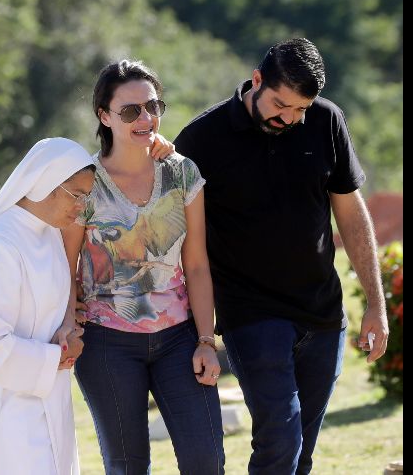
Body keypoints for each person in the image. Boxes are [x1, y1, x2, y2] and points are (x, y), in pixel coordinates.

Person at [173, 37, 389, 475]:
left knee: (300, 452)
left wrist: (375, 303)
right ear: (257, 80)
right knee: (281, 436)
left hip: (323, 314)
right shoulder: (201, 139)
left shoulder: (326, 121)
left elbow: (350, 213)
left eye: (300, 110)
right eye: (280, 104)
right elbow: (176, 236)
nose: (289, 118)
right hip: (250, 315)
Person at [61, 59, 225, 474]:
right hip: (106, 344)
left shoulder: (182, 173)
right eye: (130, 110)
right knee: (127, 467)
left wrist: (207, 340)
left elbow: (198, 264)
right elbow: (66, 264)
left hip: (178, 339)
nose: (145, 118)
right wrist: (67, 324)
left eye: (152, 106)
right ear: (104, 115)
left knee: (206, 460)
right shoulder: (84, 182)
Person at [0, 137, 95, 475]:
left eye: (87, 197)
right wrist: (57, 357)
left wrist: (67, 330)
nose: (81, 206)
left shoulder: (50, 232)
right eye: (77, 195)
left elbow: (53, 306)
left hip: (43, 392)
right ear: (47, 184)